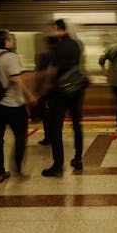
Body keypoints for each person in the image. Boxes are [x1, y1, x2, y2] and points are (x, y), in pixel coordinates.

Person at [0, 29, 36, 183]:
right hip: (13, 106)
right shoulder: (11, 57)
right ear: (6, 42)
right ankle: (18, 169)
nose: (12, 41)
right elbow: (15, 79)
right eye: (11, 39)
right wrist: (30, 96)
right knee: (20, 137)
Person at [41, 19, 86, 177]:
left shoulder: (59, 46)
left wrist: (45, 88)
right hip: (77, 89)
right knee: (76, 125)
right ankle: (78, 159)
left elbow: (53, 70)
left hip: (61, 92)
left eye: (54, 30)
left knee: (55, 127)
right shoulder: (76, 44)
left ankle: (58, 164)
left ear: (59, 30)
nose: (52, 32)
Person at [32, 35, 58, 146]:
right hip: (58, 90)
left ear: (48, 43)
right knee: (56, 116)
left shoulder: (44, 55)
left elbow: (40, 73)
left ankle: (48, 138)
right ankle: (56, 137)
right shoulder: (61, 55)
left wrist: (37, 90)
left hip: (47, 90)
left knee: (47, 116)